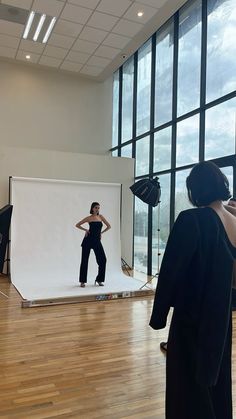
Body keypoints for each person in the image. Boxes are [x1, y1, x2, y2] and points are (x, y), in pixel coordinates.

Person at [149, 161, 236, 419]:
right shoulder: (233, 220)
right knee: (216, 380)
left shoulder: (191, 219)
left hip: (191, 319)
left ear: (194, 190)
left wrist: (158, 316)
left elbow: (170, 271)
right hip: (220, 319)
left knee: (186, 387)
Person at [76, 202, 111, 287]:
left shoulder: (101, 217)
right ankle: (82, 281)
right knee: (84, 261)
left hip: (97, 241)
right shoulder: (89, 218)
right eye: (96, 208)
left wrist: (101, 233)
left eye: (98, 208)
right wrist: (86, 230)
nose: (97, 209)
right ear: (92, 208)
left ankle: (99, 279)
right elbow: (77, 225)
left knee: (103, 260)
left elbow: (109, 226)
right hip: (88, 240)